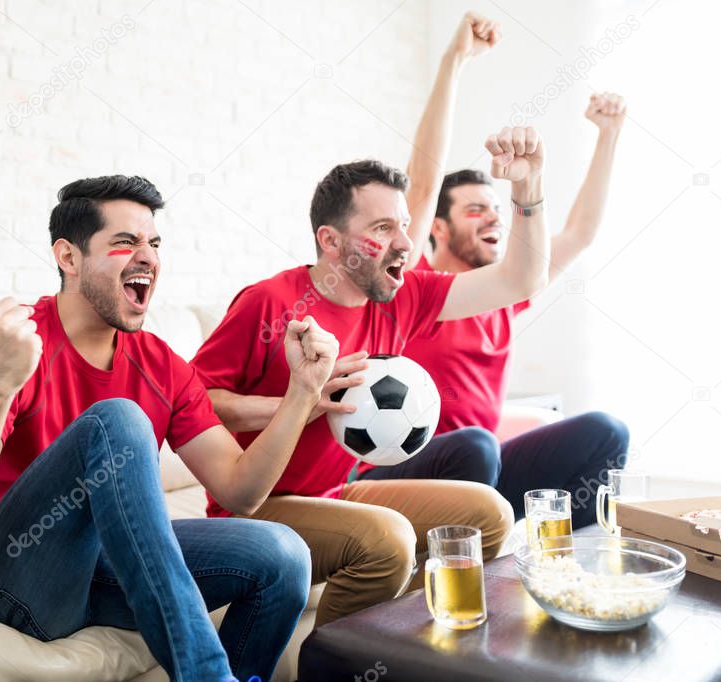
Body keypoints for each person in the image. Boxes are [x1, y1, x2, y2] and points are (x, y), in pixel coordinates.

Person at [191, 15, 553, 626]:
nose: (403, 242)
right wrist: (299, 404)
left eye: (405, 227)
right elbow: (190, 402)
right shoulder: (269, 303)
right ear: (331, 242)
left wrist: (529, 188)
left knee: (490, 513)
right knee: (386, 539)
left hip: (338, 492)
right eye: (382, 228)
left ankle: (399, 641)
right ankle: (336, 660)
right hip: (258, 508)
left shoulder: (402, 295)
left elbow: (520, 278)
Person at [0, 176, 341, 682]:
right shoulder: (14, 350)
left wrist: (304, 392)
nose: (147, 256)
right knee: (117, 420)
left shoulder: (162, 365)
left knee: (283, 556)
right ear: (69, 258)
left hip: (96, 569)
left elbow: (241, 490)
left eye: (154, 244)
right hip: (0, 576)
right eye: (124, 242)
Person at [364, 91, 630, 527]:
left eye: (495, 207)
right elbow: (424, 179)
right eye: (475, 210)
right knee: (476, 447)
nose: (493, 218)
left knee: (606, 432)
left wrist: (609, 135)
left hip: (481, 469)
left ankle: (571, 572)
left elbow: (580, 233)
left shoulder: (505, 293)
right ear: (439, 228)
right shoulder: (412, 291)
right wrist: (455, 59)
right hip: (410, 475)